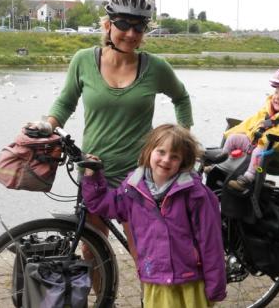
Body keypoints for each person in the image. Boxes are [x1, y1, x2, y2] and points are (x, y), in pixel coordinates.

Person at [46, 0, 192, 267]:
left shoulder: (155, 67)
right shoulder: (83, 60)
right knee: (93, 250)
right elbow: (65, 103)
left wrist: (183, 139)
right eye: (123, 24)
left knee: (144, 252)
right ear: (107, 25)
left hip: (139, 174)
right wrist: (47, 124)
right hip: (93, 170)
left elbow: (181, 98)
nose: (131, 33)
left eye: (139, 27)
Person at [81, 124, 226, 307]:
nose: (166, 160)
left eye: (174, 157)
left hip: (190, 282)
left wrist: (215, 286)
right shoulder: (132, 188)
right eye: (161, 152)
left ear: (183, 161)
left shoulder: (196, 194)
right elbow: (104, 205)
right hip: (155, 279)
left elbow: (211, 243)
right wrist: (93, 178)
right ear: (149, 151)